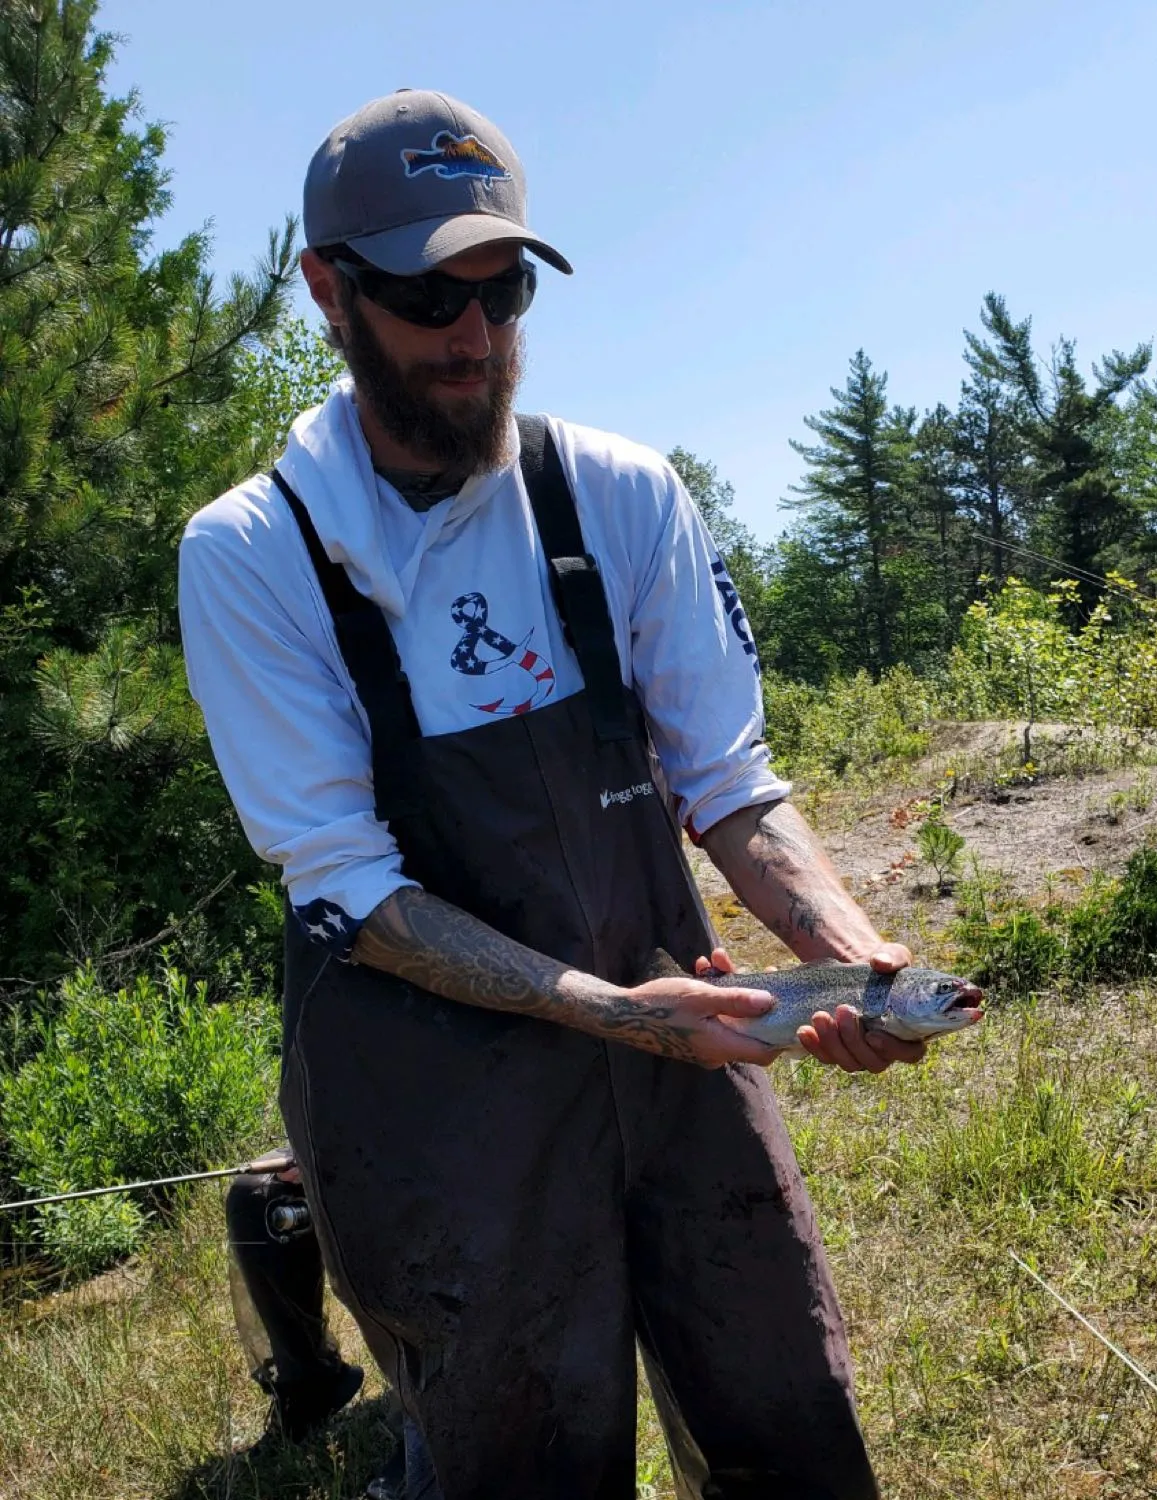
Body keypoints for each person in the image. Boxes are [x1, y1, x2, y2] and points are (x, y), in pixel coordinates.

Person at [179, 89, 931, 1499]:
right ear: (328, 290)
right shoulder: (256, 555)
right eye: (426, 294)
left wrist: (850, 956)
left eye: (504, 287)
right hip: (432, 1099)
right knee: (518, 1453)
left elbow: (729, 781)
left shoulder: (621, 495)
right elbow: (344, 881)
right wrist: (604, 1011)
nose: (475, 337)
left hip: (683, 1049)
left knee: (786, 1407)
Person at [226, 1148, 415, 1498]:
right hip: (376, 1138)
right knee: (257, 1195)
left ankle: (434, 1428)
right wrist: (311, 1143)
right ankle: (310, 1383)